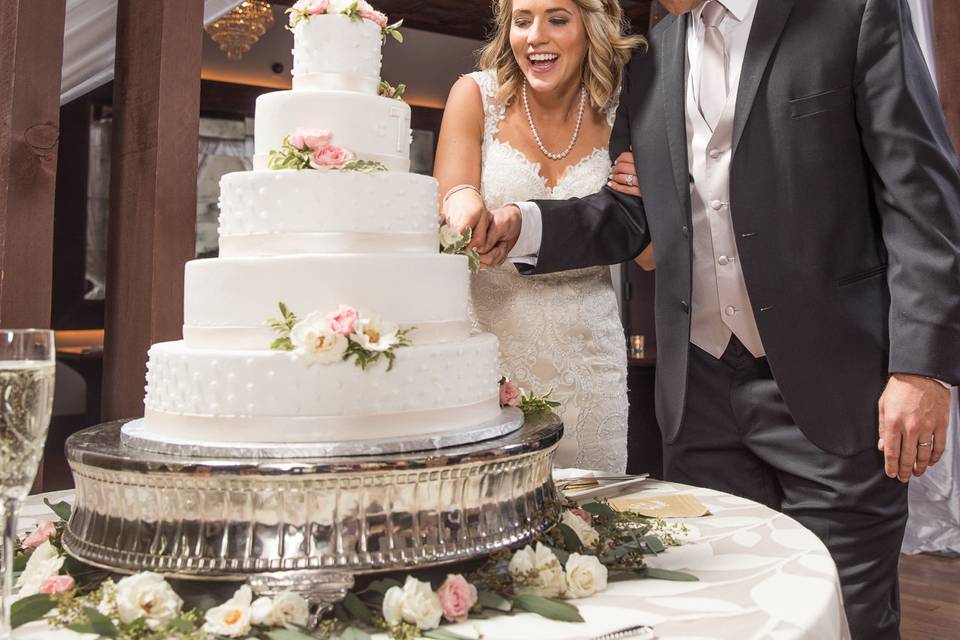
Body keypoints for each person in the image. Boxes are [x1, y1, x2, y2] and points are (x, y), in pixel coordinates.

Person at [470, 0, 960, 637]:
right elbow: (631, 218)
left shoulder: (849, 14)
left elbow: (920, 198)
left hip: (835, 393)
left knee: (849, 617)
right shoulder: (648, 58)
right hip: (699, 398)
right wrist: (525, 224)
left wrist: (921, 370)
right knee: (719, 616)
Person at [433, 0, 651, 471]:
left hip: (589, 357)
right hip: (491, 350)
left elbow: (651, 256)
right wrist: (464, 206)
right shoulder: (474, 95)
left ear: (589, 27)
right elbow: (454, 191)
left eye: (557, 19)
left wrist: (652, 197)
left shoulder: (627, 111)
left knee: (592, 521)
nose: (535, 36)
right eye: (522, 20)